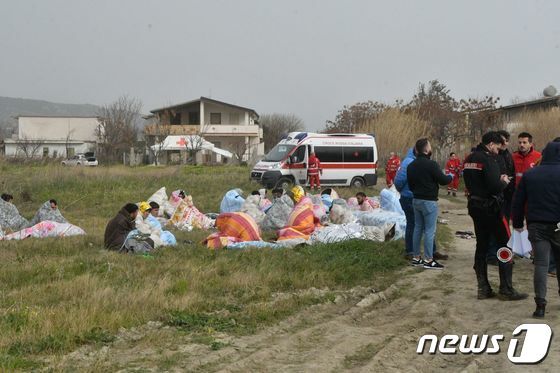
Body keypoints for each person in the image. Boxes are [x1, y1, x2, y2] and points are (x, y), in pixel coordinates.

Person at [463, 131, 527, 301]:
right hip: (491, 208)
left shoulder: (469, 159)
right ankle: (506, 288)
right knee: (505, 244)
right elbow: (494, 186)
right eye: (498, 148)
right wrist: (504, 181)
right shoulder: (488, 159)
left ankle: (483, 288)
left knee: (482, 245)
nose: (499, 151)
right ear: (491, 144)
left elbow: (469, 182)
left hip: (475, 206)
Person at [512, 141, 560, 317]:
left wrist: (517, 223)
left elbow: (518, 201)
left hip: (536, 224)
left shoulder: (530, 175)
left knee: (541, 263)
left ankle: (540, 305)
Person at [394, 147, 447, 261]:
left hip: (414, 197)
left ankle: (421, 253)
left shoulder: (414, 162)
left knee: (420, 226)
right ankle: (414, 252)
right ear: (418, 151)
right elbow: (398, 181)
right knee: (417, 226)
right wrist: (408, 191)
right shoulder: (409, 162)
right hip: (411, 198)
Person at [407, 138, 452, 269]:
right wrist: (450, 177)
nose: (431, 148)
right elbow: (443, 180)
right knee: (429, 231)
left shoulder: (411, 166)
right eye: (430, 146)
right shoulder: (431, 165)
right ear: (426, 150)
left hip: (416, 200)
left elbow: (410, 186)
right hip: (429, 201)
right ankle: (428, 259)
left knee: (418, 228)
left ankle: (416, 257)